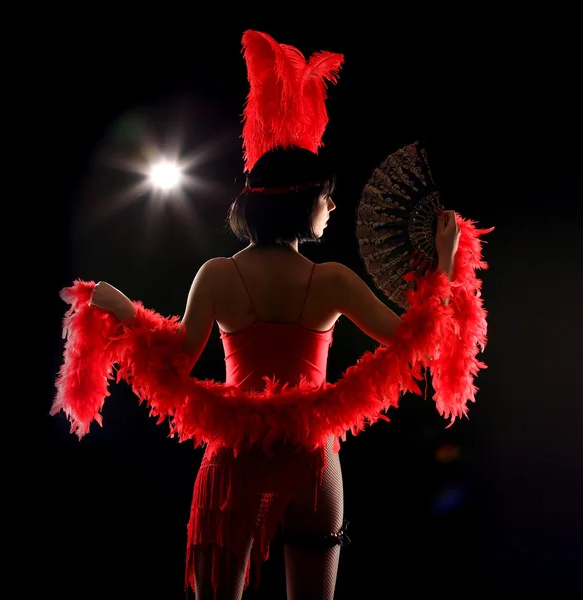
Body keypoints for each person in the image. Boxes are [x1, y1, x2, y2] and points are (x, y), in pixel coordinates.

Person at [87, 143, 461, 599]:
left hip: (235, 458)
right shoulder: (333, 280)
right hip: (313, 460)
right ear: (302, 202)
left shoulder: (217, 275)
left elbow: (175, 359)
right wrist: (445, 261)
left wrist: (127, 311)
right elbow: (420, 337)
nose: (332, 206)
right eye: (327, 195)